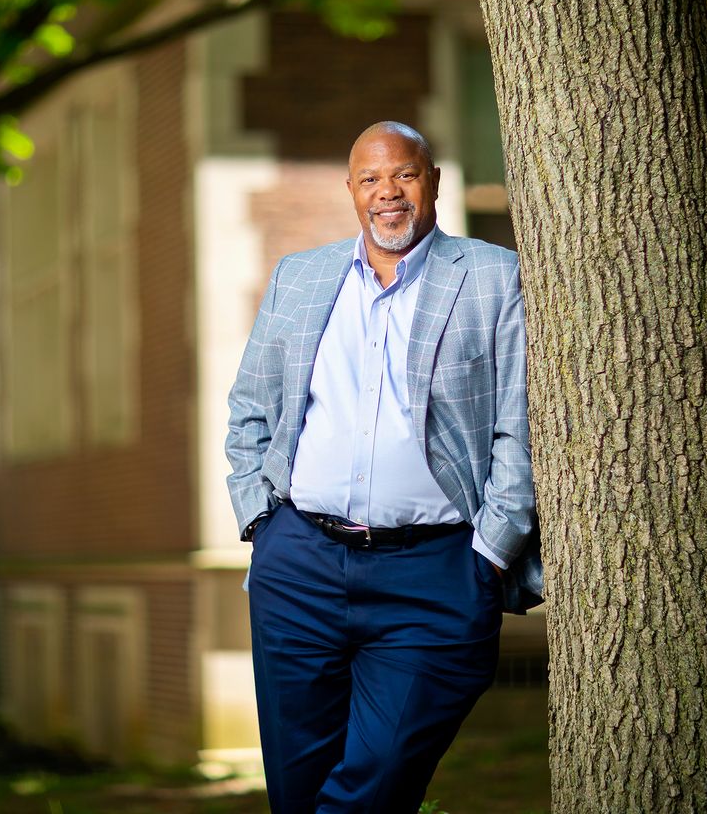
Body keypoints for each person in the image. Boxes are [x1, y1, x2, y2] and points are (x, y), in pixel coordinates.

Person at [226, 121, 542, 813]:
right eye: (370, 179)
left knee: (375, 782)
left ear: (431, 181)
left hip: (437, 573)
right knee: (298, 790)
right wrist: (261, 522)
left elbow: (519, 429)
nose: (387, 193)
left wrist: (490, 553)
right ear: (351, 190)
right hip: (299, 566)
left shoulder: (492, 276)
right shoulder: (300, 277)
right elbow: (250, 407)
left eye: (403, 174)